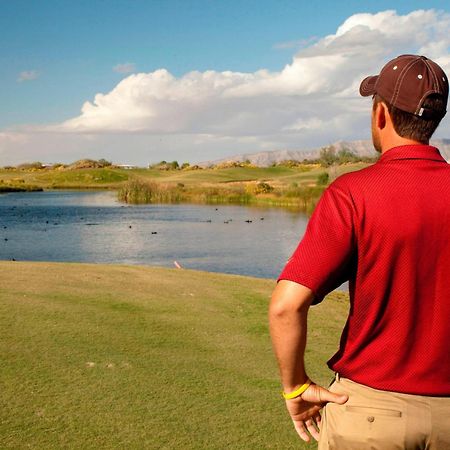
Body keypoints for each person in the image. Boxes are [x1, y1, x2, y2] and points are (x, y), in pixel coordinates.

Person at [269, 54, 450, 450]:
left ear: (380, 114)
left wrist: (295, 387)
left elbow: (286, 306)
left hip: (371, 414)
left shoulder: (353, 193)